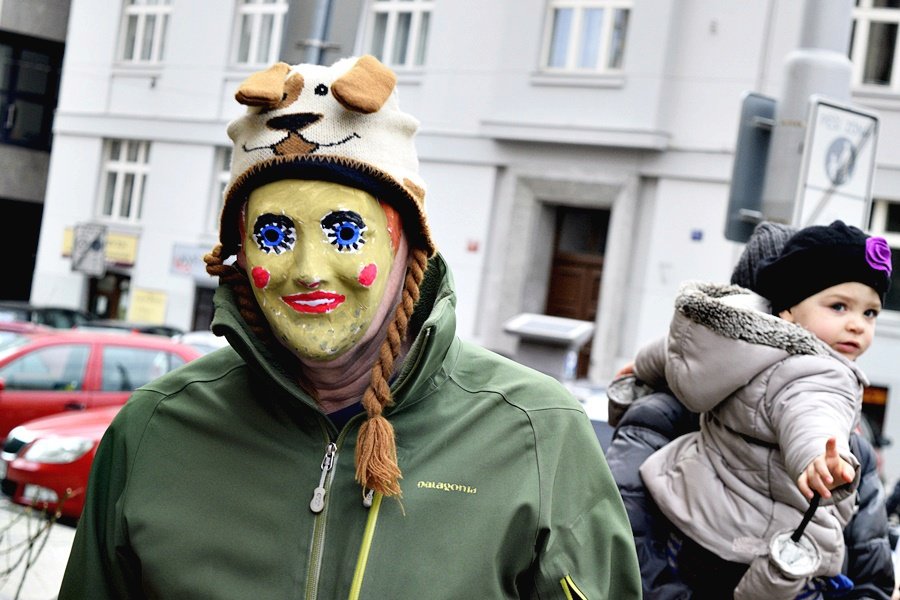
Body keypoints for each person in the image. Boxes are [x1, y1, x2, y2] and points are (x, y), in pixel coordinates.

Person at [57, 55, 641, 599]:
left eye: (343, 232)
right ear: (238, 254)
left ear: (409, 242)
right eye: (274, 236)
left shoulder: (536, 434)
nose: (309, 273)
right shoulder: (156, 430)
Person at [610, 220, 893, 599]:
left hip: (707, 541)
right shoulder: (822, 379)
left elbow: (675, 350)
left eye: (870, 313)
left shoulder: (849, 440)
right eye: (839, 307)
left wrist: (638, 370)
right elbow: (811, 416)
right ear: (782, 315)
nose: (857, 326)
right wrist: (817, 458)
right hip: (760, 558)